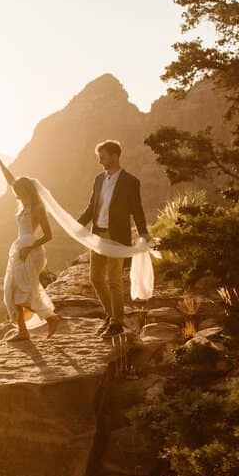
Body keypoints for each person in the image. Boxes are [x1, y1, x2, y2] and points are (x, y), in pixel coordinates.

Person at [76, 140, 149, 338]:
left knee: (114, 280)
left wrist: (143, 233)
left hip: (117, 237)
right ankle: (111, 315)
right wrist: (77, 225)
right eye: (99, 158)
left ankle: (116, 323)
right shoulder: (98, 179)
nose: (100, 162)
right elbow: (92, 207)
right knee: (96, 278)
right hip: (97, 235)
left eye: (103, 157)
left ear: (115, 156)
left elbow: (137, 210)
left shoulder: (130, 181)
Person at [0, 151, 62, 341]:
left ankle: (50, 318)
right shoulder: (22, 205)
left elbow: (49, 235)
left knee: (25, 291)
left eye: (20, 191)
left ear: (27, 190)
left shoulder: (37, 208)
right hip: (19, 250)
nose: (16, 193)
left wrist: (29, 248)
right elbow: (11, 180)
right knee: (12, 291)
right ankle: (26, 330)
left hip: (32, 251)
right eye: (17, 191)